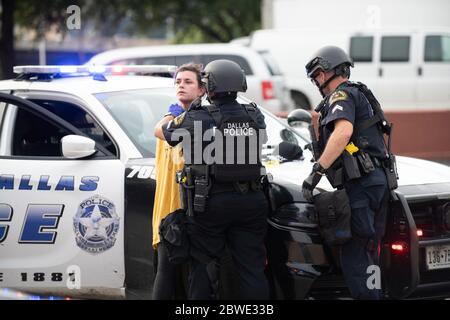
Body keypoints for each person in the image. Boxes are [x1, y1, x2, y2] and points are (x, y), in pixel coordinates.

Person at [155, 59, 270, 300]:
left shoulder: (199, 116)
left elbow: (166, 134)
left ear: (208, 86)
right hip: (251, 201)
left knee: (202, 267)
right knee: (252, 269)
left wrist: (173, 113)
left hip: (209, 204)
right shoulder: (254, 114)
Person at [302, 46, 390, 299]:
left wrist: (317, 171)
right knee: (371, 248)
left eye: (319, 74)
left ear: (333, 70)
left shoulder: (341, 96)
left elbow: (343, 132)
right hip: (377, 181)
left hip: (361, 184)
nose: (317, 81)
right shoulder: (360, 93)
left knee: (356, 253)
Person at [152, 63, 205, 299]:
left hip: (193, 210)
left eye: (188, 81)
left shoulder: (196, 121)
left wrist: (172, 116)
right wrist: (172, 116)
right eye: (178, 81)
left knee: (197, 275)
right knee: (166, 274)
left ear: (202, 90)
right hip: (168, 212)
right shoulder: (171, 121)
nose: (181, 85)